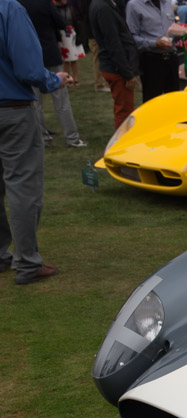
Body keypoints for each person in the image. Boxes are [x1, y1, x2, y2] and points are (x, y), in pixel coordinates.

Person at [0, 0, 71, 285]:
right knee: (23, 186)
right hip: (13, 109)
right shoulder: (10, 9)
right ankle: (27, 261)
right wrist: (53, 80)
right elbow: (28, 68)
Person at [18, 0, 88, 147]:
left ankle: (43, 138)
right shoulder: (44, 3)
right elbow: (61, 23)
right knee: (61, 99)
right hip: (49, 52)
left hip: (30, 56)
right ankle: (72, 137)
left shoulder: (18, 5)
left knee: (36, 102)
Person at [90, 0, 140, 127]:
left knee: (123, 108)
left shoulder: (104, 5)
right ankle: (122, 142)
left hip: (115, 65)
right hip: (116, 68)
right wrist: (127, 73)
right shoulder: (103, 8)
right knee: (124, 111)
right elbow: (113, 42)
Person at [126, 0, 183, 102]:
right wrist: (155, 43)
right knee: (152, 101)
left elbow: (171, 29)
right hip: (151, 61)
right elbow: (131, 37)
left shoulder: (166, 3)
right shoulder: (134, 5)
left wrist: (180, 35)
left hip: (171, 59)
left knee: (174, 101)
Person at [55, 0, 86, 85]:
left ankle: (76, 78)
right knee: (66, 60)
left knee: (74, 58)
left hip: (72, 33)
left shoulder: (70, 7)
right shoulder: (55, 9)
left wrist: (78, 35)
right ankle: (67, 78)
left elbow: (75, 20)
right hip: (62, 35)